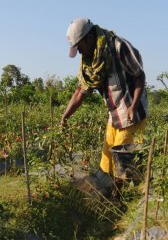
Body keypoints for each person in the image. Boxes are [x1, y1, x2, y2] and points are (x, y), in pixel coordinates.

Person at [60, 18, 148, 192]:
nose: (79, 53)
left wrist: (133, 105)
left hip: (131, 113)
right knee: (106, 157)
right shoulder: (90, 62)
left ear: (89, 38)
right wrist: (65, 115)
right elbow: (80, 91)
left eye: (79, 47)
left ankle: (119, 199)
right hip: (114, 114)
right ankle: (109, 194)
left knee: (122, 162)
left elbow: (139, 76)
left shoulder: (118, 47)